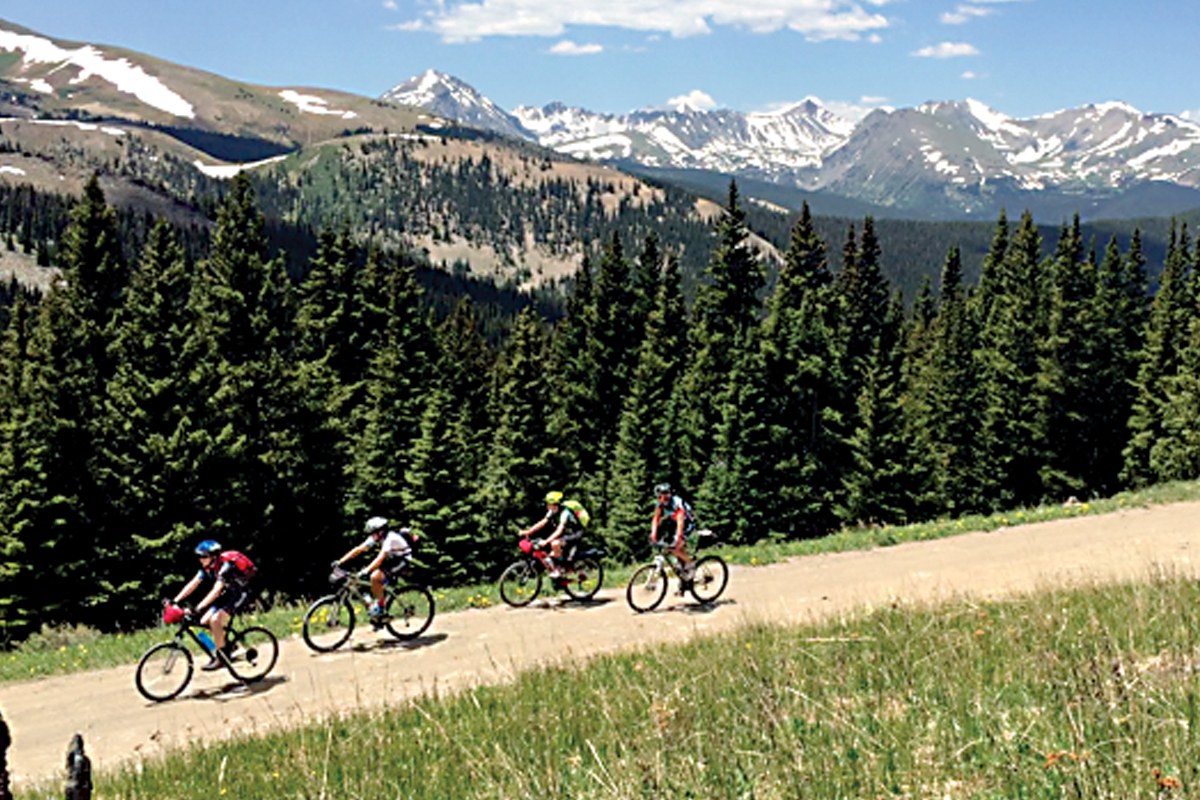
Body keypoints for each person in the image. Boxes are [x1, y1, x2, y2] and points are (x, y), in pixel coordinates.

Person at [171, 540, 257, 671]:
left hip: (241, 594)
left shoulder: (225, 567)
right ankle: (230, 647)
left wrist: (198, 608)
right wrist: (175, 601)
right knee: (204, 621)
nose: (201, 559)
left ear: (213, 556)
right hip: (229, 593)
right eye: (199, 556)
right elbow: (193, 583)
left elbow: (216, 590)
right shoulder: (208, 567)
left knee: (216, 620)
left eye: (204, 556)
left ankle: (220, 658)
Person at [333, 516, 416, 627]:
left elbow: (380, 558)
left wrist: (366, 570)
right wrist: (340, 561)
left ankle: (380, 609)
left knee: (375, 577)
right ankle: (378, 617)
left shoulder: (390, 538)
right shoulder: (376, 537)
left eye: (372, 533)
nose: (370, 536)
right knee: (370, 581)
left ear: (380, 532)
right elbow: (358, 549)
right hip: (394, 558)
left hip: (403, 560)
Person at [520, 491, 589, 579]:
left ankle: (559, 569)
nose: (547, 506)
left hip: (576, 533)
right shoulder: (553, 511)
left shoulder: (565, 513)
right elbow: (543, 522)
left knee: (555, 544)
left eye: (549, 504)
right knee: (550, 555)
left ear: (555, 504)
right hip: (567, 533)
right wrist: (529, 531)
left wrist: (546, 541)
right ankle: (560, 575)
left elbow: (559, 530)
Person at [650, 483, 696, 578]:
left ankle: (691, 564)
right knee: (668, 545)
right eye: (659, 497)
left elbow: (680, 522)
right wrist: (653, 533)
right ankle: (683, 575)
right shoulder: (660, 503)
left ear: (668, 495)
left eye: (663, 496)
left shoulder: (677, 503)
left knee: (676, 548)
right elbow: (656, 518)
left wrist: (679, 537)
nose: (661, 499)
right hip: (674, 522)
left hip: (687, 523)